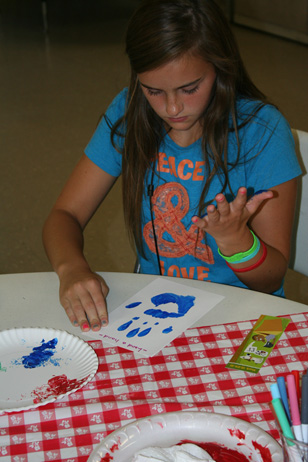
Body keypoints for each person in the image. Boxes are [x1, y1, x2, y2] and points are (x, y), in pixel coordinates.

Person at [42, 0, 302, 333]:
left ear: (221, 68)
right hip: (159, 310)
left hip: (247, 313)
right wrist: (71, 269)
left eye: (190, 88)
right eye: (153, 91)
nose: (173, 107)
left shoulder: (262, 132)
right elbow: (65, 215)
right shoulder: (129, 113)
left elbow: (270, 281)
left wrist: (237, 242)